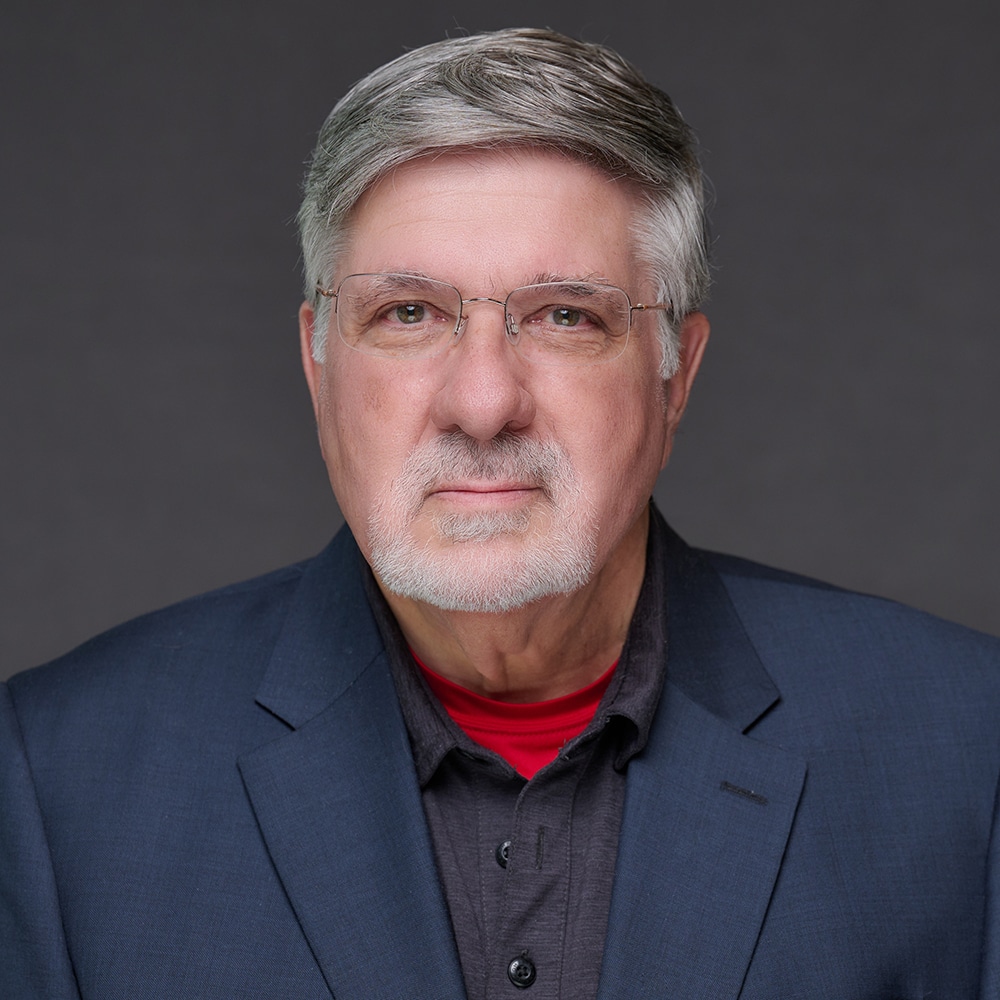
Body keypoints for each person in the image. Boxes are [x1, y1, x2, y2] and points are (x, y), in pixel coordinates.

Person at [2, 27, 998, 1000]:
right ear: (317, 363)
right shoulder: (59, 780)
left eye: (566, 315)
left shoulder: (964, 749)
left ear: (674, 374)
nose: (482, 403)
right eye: (408, 313)